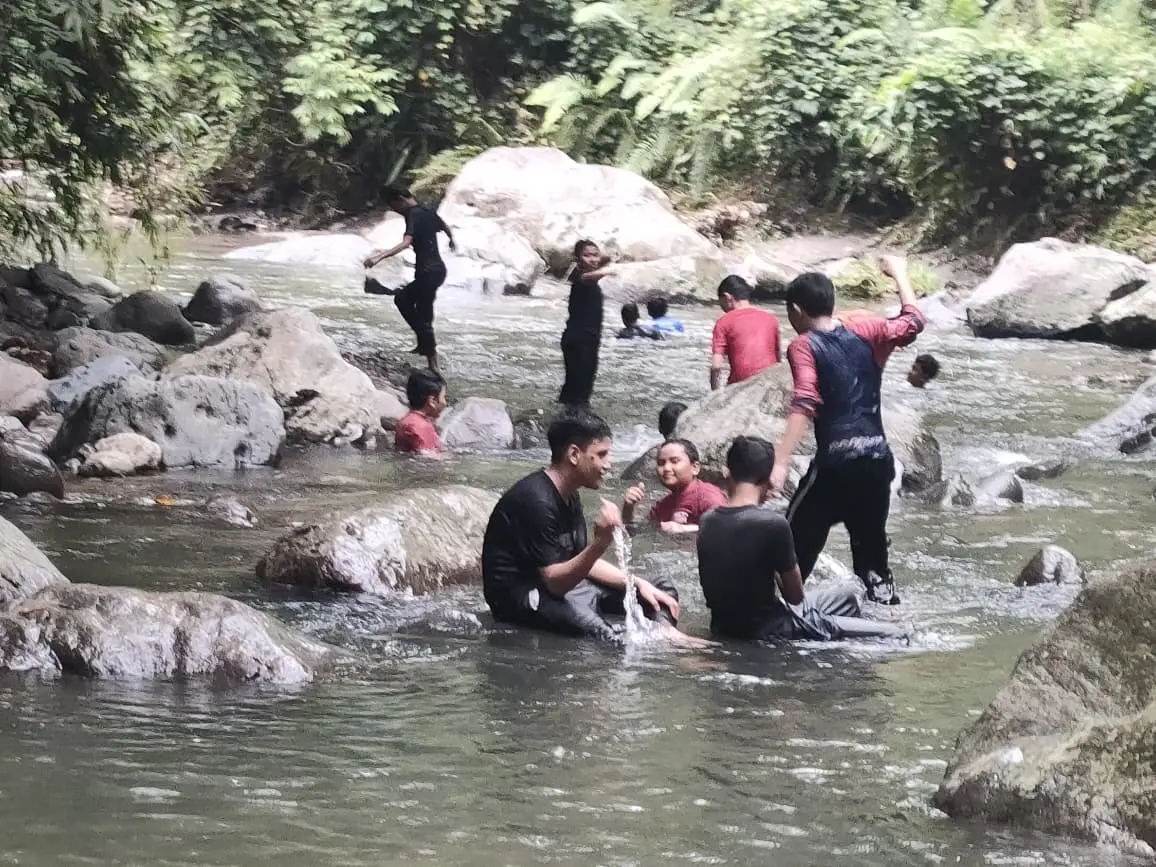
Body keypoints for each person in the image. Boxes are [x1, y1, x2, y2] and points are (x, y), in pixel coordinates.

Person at [771, 256, 926, 605]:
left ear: (796, 310)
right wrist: (899, 272)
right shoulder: (867, 331)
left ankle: (777, 615)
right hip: (877, 459)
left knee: (790, 546)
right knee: (872, 557)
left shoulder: (803, 345)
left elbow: (806, 400)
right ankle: (886, 620)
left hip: (835, 465)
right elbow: (914, 322)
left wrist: (780, 461)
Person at [482, 408, 698, 642]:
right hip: (527, 597)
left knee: (658, 588)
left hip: (568, 586)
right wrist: (600, 543)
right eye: (602, 454)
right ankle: (671, 642)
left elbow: (582, 561)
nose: (608, 464)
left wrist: (635, 583)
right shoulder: (536, 500)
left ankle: (667, 634)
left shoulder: (569, 494)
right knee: (605, 636)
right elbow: (554, 583)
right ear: (574, 454)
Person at [697, 436, 908, 642]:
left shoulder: (707, 521)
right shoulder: (773, 524)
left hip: (724, 627)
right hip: (774, 629)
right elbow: (795, 597)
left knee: (847, 598)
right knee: (895, 634)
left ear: (728, 473)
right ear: (769, 478)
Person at [363, 185, 456, 373]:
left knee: (405, 302)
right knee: (421, 311)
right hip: (437, 271)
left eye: (394, 206)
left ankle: (432, 361)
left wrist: (379, 257)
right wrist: (452, 240)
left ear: (399, 199)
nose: (396, 211)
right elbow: (444, 226)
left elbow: (407, 243)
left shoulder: (413, 213)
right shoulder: (427, 209)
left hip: (428, 272)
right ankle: (426, 347)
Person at [622, 439, 726, 535]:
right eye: (661, 463)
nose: (666, 468)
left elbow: (726, 526)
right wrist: (628, 507)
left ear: (695, 468)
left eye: (675, 461)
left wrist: (683, 529)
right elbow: (637, 533)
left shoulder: (707, 496)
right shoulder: (663, 505)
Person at [558, 240, 613, 407]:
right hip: (579, 342)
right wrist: (610, 271)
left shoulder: (589, 278)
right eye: (586, 255)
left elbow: (602, 264)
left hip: (586, 341)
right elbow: (589, 277)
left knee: (576, 387)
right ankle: (575, 422)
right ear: (577, 259)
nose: (592, 259)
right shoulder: (579, 276)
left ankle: (564, 418)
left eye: (595, 255)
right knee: (580, 390)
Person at [710, 275, 781, 390]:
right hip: (770, 385)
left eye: (720, 303)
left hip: (741, 388)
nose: (721, 308)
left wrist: (714, 395)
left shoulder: (723, 322)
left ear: (727, 297)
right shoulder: (771, 319)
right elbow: (778, 362)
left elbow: (716, 367)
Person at [395, 368, 446, 455]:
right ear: (432, 401)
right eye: (444, 397)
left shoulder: (405, 421)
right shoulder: (422, 427)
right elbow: (431, 458)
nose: (445, 402)